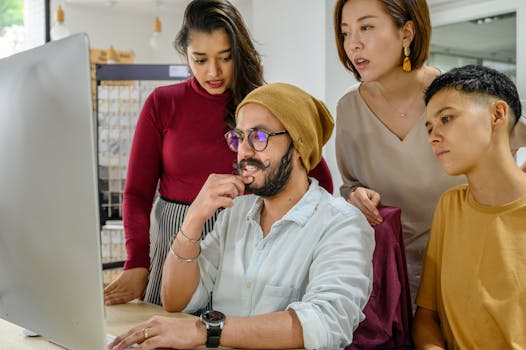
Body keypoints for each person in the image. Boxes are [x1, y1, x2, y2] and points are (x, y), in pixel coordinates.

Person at [108, 82, 375, 350]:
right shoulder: (235, 215)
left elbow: (325, 324)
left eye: (258, 137)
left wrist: (206, 330)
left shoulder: (342, 224)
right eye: (238, 137)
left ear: (299, 147)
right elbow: (176, 300)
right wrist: (194, 218)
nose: (244, 151)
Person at [104, 0, 333, 306]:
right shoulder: (162, 103)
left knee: (232, 330)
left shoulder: (261, 106)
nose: (213, 71)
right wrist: (136, 263)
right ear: (184, 54)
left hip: (244, 239)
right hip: (176, 237)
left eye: (225, 58)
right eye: (200, 60)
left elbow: (317, 176)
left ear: (239, 53)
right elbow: (136, 194)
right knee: (170, 323)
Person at [332, 0, 526, 303]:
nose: (353, 44)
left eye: (366, 27)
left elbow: (511, 137)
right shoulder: (348, 108)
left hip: (466, 274)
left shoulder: (457, 99)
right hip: (386, 280)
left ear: (407, 33)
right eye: (345, 33)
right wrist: (355, 196)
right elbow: (350, 184)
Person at [412, 64, 526, 348]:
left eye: (447, 118)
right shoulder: (450, 207)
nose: (433, 137)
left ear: (497, 114)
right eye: (429, 128)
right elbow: (427, 316)